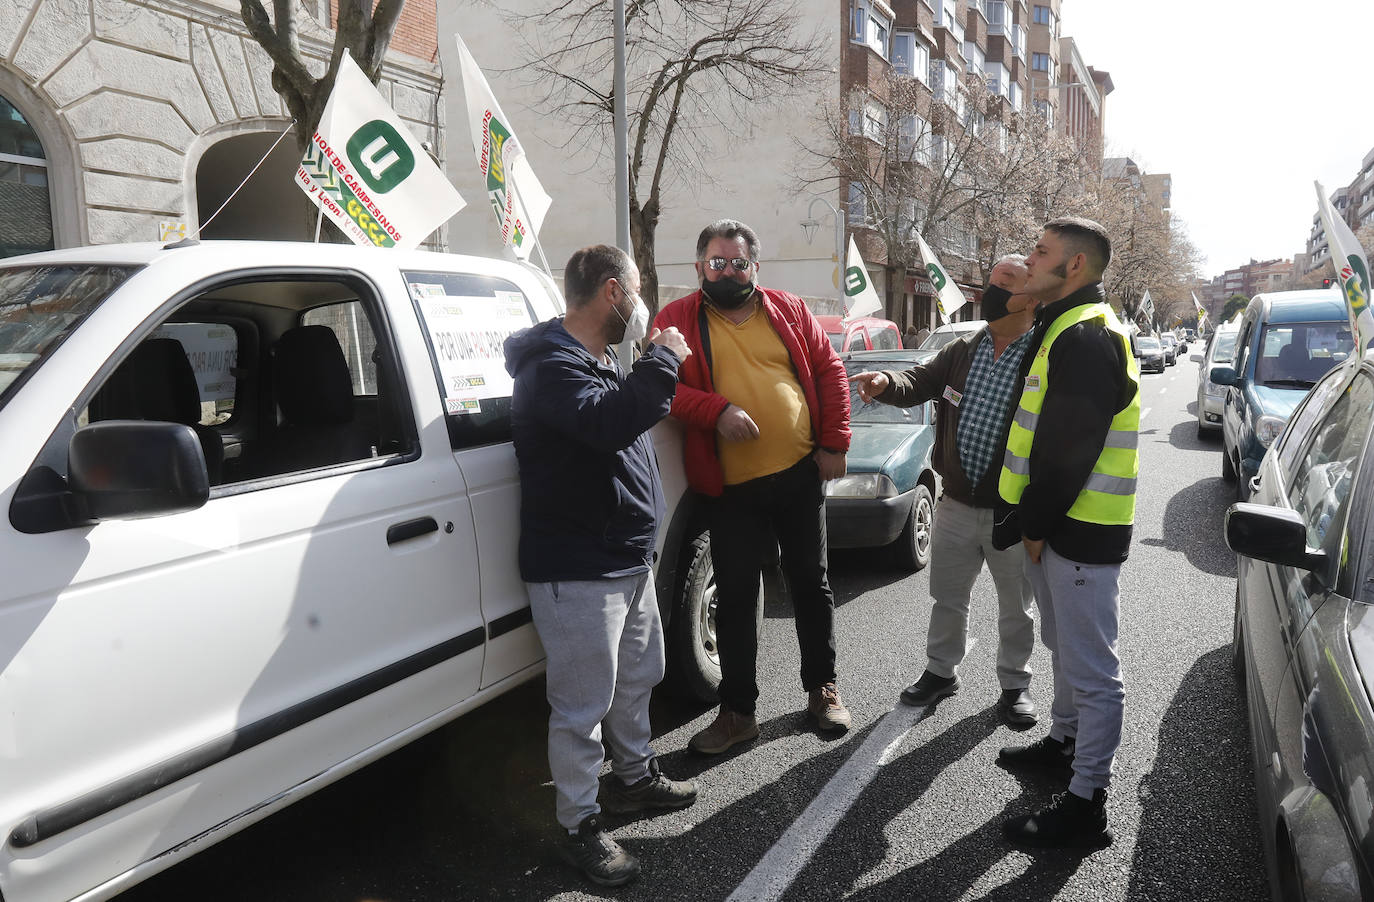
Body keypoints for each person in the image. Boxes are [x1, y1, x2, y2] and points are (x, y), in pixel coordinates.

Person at [504, 245, 699, 887]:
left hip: (622, 556)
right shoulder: (551, 366)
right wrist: (665, 359)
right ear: (613, 292)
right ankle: (578, 826)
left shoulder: (600, 358)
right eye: (637, 291)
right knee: (583, 705)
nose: (642, 306)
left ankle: (633, 779)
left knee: (643, 672)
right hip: (578, 565)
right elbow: (607, 424)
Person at [653, 219, 853, 754]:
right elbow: (661, 387)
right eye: (717, 263)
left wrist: (834, 442)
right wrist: (716, 410)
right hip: (730, 488)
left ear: (754, 267)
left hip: (799, 474)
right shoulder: (674, 320)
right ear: (699, 267)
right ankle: (739, 712)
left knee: (812, 583)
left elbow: (829, 369)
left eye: (738, 263)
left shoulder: (787, 308)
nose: (727, 272)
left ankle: (822, 691)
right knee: (737, 597)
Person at [992, 217, 1140, 850]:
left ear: (1074, 267)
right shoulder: (1063, 324)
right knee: (1067, 652)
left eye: (1041, 252)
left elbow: (1066, 454)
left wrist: (1034, 527)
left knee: (1092, 669)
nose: (1029, 260)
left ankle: (1085, 805)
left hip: (1077, 532)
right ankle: (1062, 745)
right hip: (1061, 530)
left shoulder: (1084, 336)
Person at [849, 255, 1039, 729]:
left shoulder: (1044, 354)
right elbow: (921, 380)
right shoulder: (967, 347)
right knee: (948, 596)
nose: (991, 292)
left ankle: (1015, 684)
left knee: (1017, 606)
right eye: (990, 282)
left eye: (1005, 284)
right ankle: (940, 672)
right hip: (955, 502)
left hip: (1010, 512)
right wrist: (886, 382)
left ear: (1032, 296)